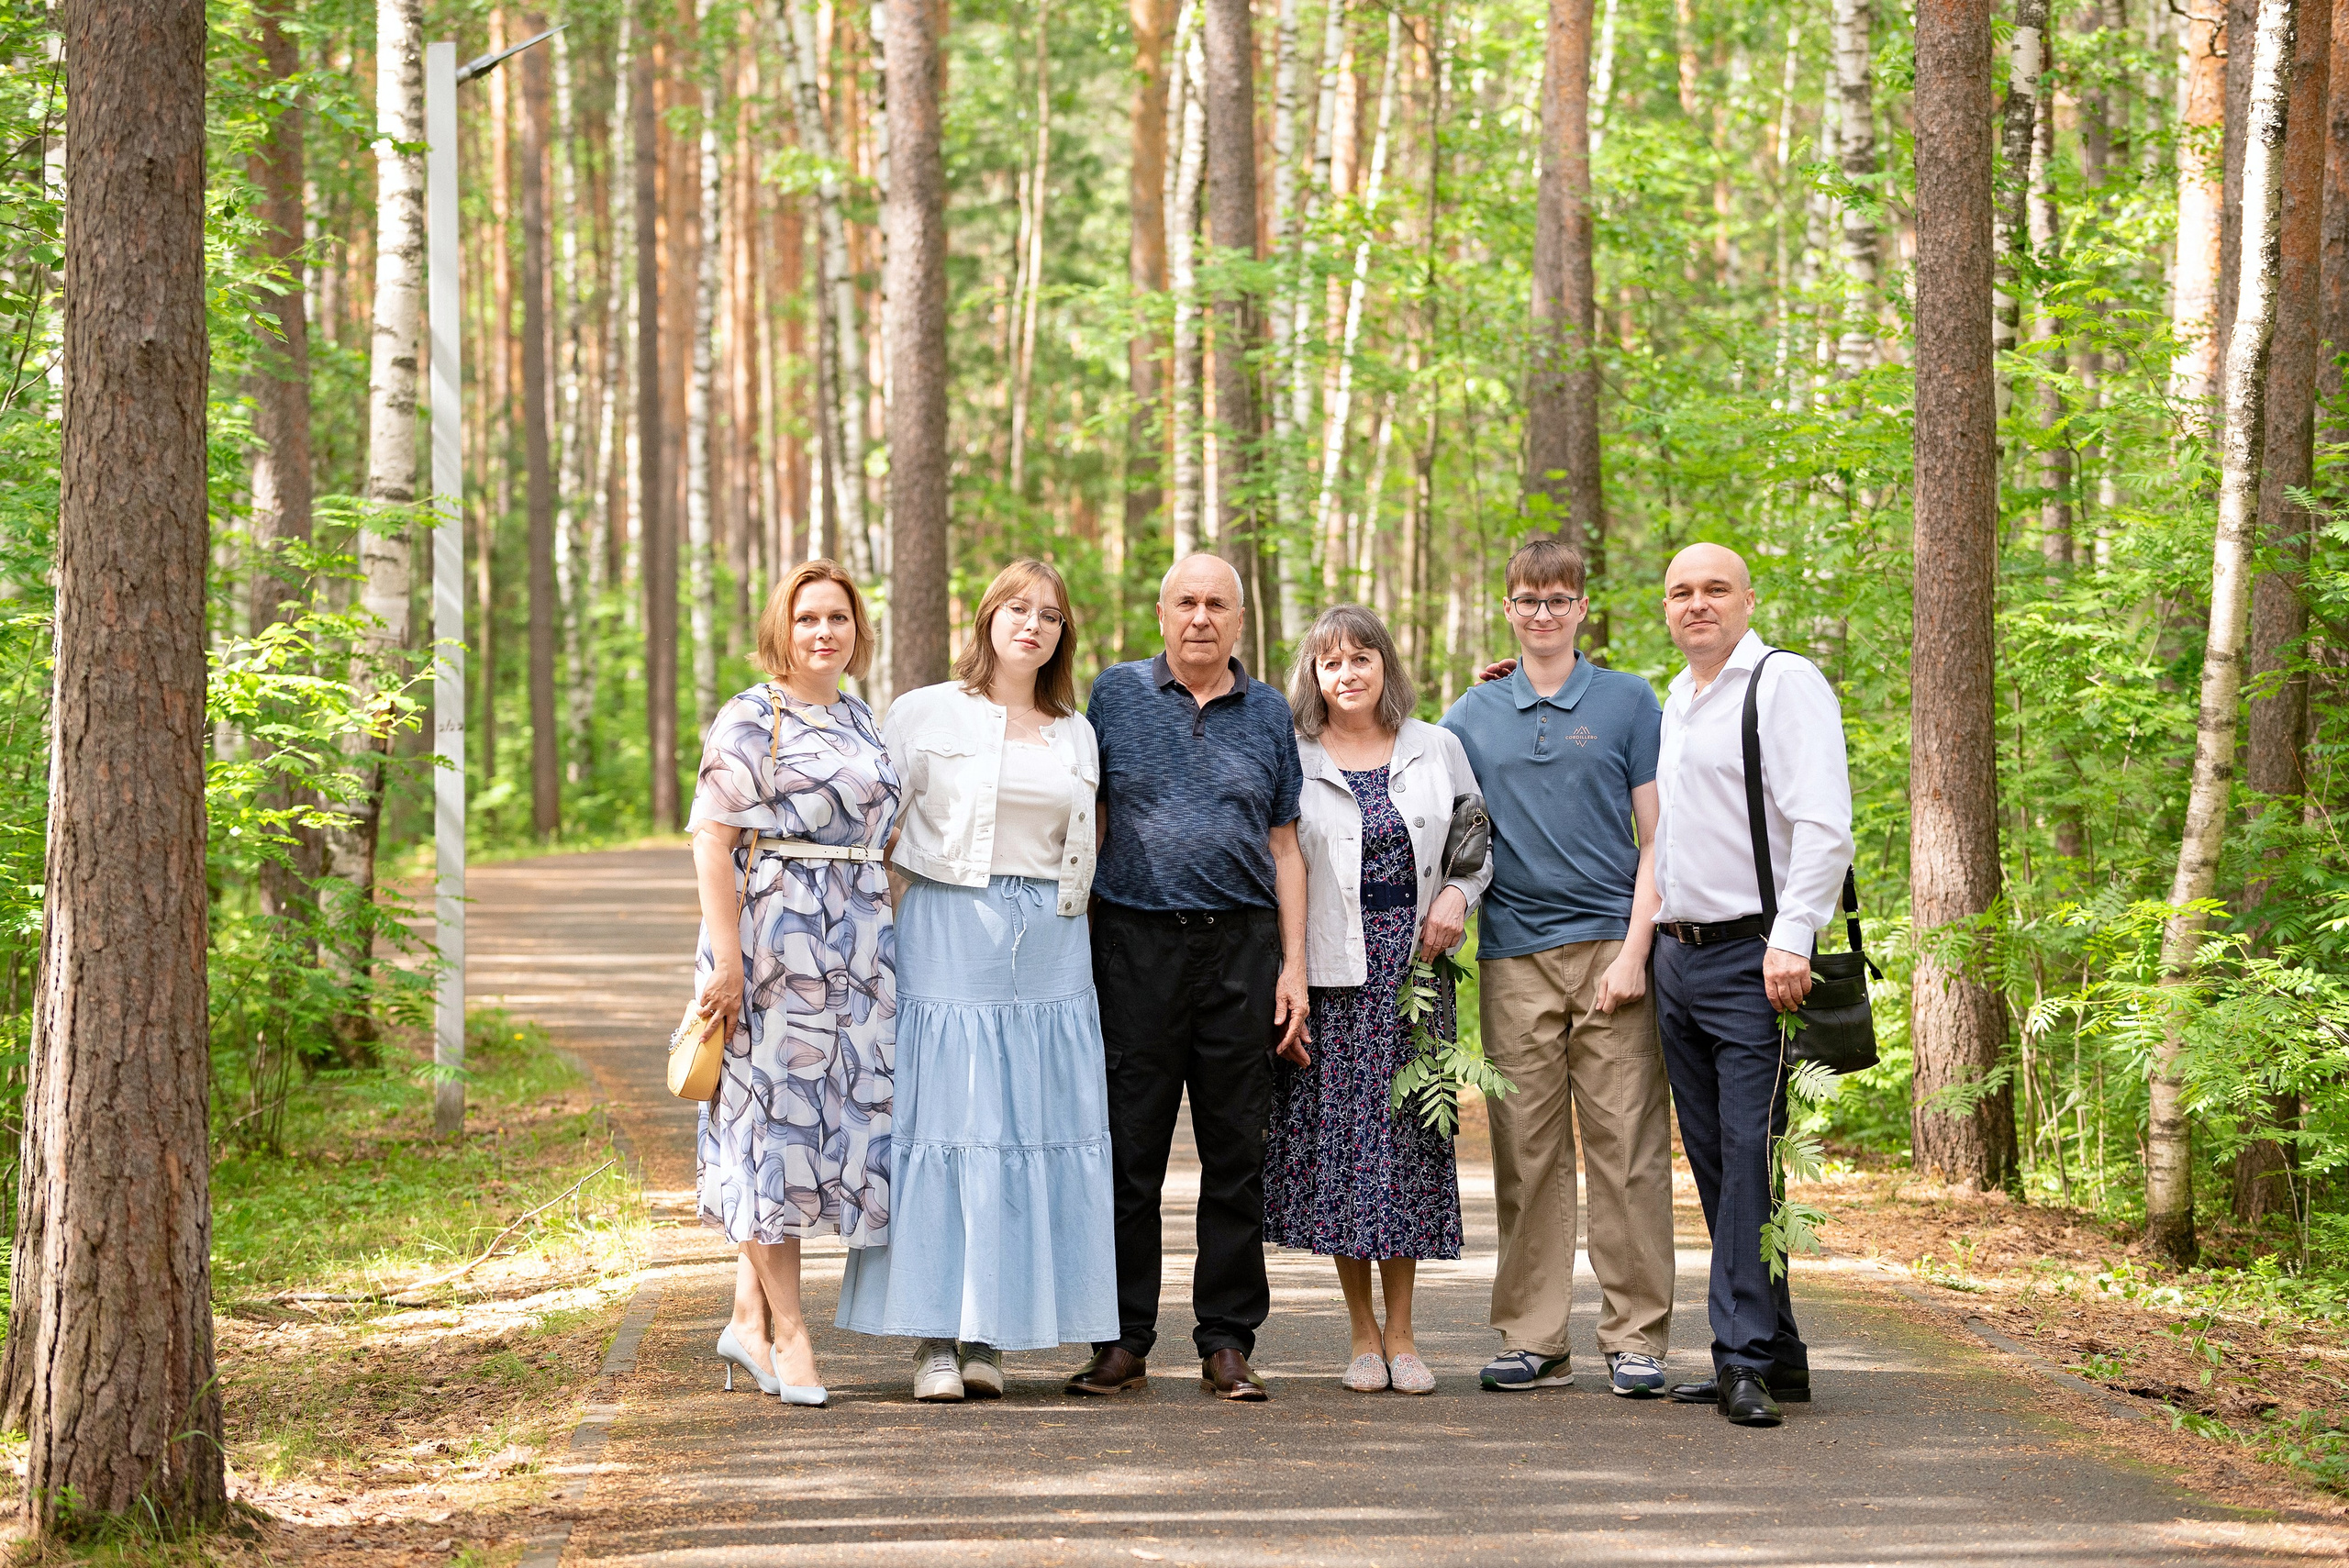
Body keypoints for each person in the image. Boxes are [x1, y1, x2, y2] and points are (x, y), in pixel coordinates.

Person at [837, 560, 1119, 1398]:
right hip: (950, 927)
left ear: (1063, 634)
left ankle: (989, 1335)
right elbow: (874, 832)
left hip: (1055, 943)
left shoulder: (1076, 729)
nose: (1033, 625)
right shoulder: (924, 711)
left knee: (1028, 1123)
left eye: (1051, 615)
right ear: (988, 617)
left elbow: (1090, 839)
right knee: (950, 1119)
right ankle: (932, 1338)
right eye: (1017, 609)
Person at [1067, 552, 1311, 1404]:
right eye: (1185, 602)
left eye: (1217, 604)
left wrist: (1297, 970)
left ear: (1239, 619)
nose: (1200, 617)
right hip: (1132, 945)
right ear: (1161, 614)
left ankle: (1227, 1340)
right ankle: (1123, 1339)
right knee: (1128, 1151)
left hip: (1243, 951)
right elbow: (1090, 821)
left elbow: (1286, 846)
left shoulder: (1271, 710)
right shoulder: (1116, 695)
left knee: (1235, 1152)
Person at [1441, 534, 1675, 1399]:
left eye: (1558, 600)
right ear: (1507, 608)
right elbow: (1444, 820)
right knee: (1526, 1149)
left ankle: (1636, 1334)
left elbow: (1659, 840)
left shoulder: (1627, 702)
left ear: (1582, 607)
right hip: (1515, 955)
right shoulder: (1471, 713)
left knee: (1626, 1147)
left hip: (1612, 949)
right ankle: (1535, 1336)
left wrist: (1636, 950)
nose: (1542, 614)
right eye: (1527, 600)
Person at [1649, 541, 1853, 1429]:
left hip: (1753, 960)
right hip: (1678, 959)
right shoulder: (1679, 698)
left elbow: (1825, 823)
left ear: (1747, 598)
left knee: (1749, 1159)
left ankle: (1739, 1360)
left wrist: (1792, 936)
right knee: (1724, 1163)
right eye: (1681, 592)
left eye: (1715, 589)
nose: (1698, 604)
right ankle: (1781, 1350)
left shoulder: (1783, 682)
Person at [687, 560, 899, 1408]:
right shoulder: (751, 713)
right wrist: (729, 958)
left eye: (838, 619)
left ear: (856, 630)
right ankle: (792, 1332)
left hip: (857, 946)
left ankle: (745, 1318)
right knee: (769, 1133)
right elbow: (710, 840)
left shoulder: (858, 714)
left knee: (824, 1132)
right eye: (809, 617)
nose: (824, 632)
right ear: (784, 626)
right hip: (773, 944)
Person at [1267, 604, 1489, 1396]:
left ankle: (1405, 1330)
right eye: (1332, 662)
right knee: (1346, 1149)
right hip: (1331, 971)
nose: (1349, 673)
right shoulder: (1291, 754)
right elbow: (1279, 857)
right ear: (1314, 676)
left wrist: (1458, 898)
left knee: (1409, 1148)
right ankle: (1360, 1330)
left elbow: (1473, 836)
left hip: (1418, 969)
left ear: (1385, 667)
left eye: (1363, 657)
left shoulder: (1437, 745)